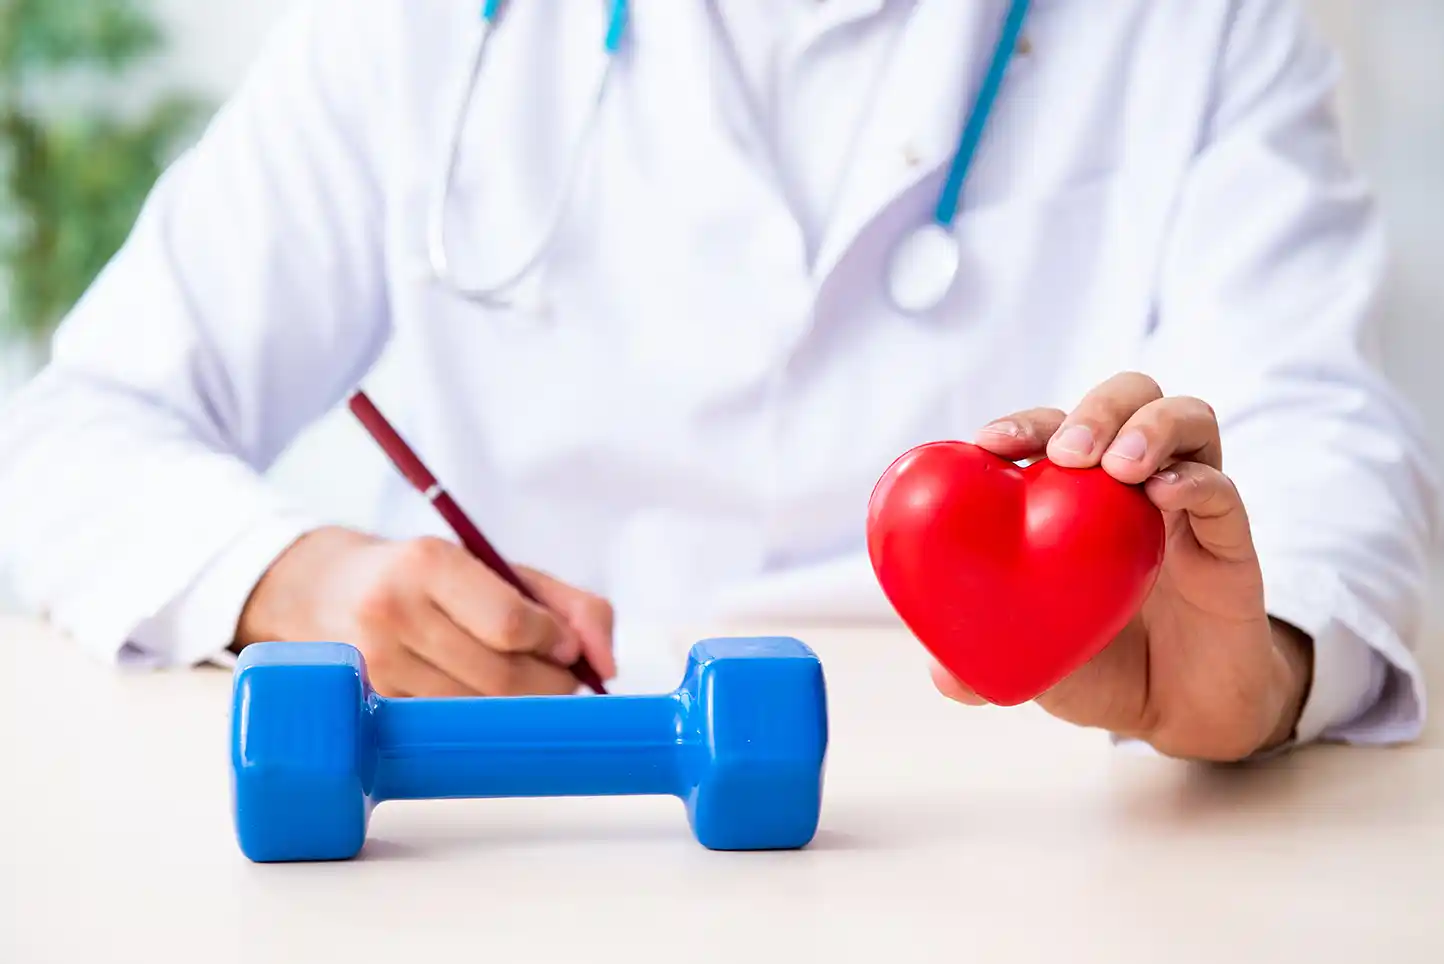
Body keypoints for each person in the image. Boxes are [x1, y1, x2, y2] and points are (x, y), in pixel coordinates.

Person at [0, 0, 1436, 764]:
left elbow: (1322, 435)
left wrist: (1251, 678)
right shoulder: (421, 24)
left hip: (1025, 811)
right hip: (535, 795)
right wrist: (291, 577)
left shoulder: (1207, 29)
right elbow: (75, 435)